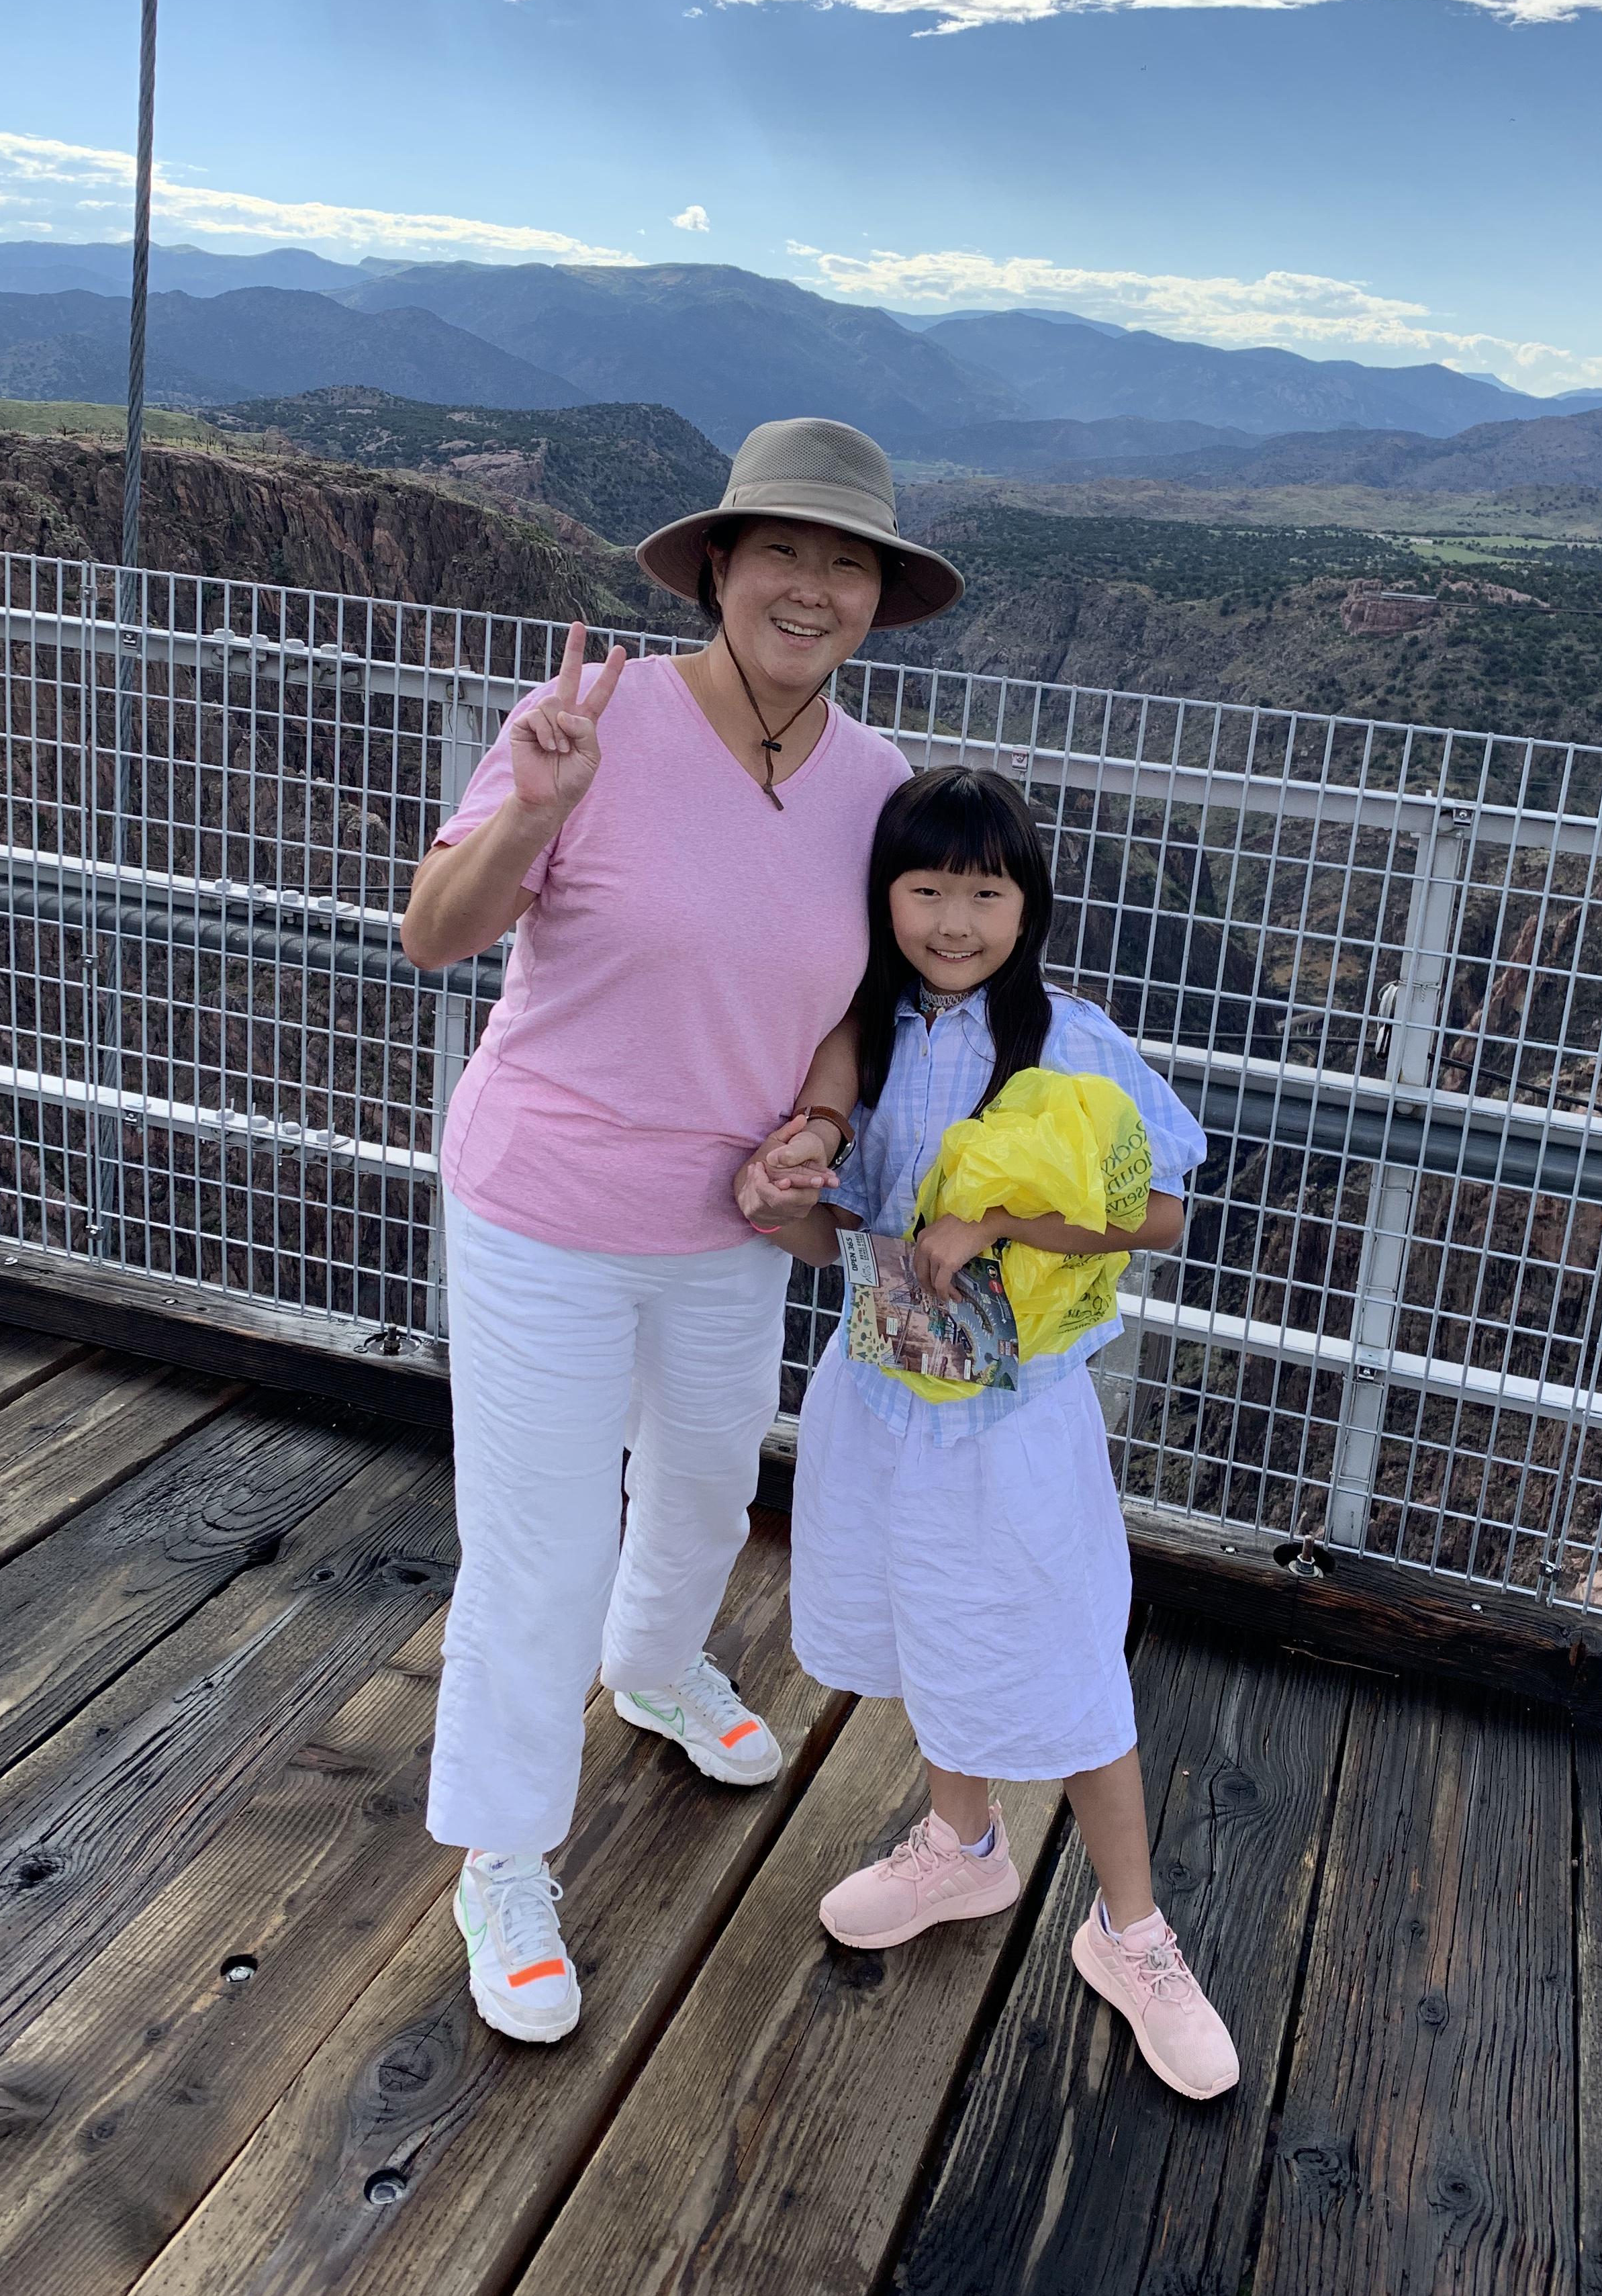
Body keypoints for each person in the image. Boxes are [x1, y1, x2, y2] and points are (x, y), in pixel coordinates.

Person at [399, 416, 963, 2044]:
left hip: (731, 1220)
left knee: (711, 1481)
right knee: (542, 1540)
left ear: (878, 599)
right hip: (548, 1207)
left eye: (847, 563)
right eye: (782, 550)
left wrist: (825, 1129)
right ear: (718, 566)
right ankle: (504, 1854)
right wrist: (531, 812)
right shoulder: (597, 720)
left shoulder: (876, 788)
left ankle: (652, 1668)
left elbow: (851, 1008)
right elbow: (435, 934)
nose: (812, 587)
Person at [739, 767, 1241, 2101]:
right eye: (926, 890)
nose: (954, 921)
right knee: (936, 1621)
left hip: (1018, 1419)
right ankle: (963, 1849)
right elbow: (838, 1235)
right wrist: (776, 1201)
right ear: (885, 898)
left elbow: (1162, 1211)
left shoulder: (1070, 1038)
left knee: (1070, 1660)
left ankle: (1132, 1932)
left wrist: (1001, 1221)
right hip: (885, 1394)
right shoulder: (868, 1038)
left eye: (984, 891)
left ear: (1028, 906)